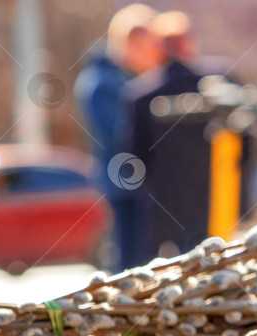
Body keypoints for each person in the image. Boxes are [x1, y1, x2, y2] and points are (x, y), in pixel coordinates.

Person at [120, 11, 238, 263]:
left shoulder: (141, 94)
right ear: (189, 43)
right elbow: (244, 142)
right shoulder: (223, 83)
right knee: (216, 267)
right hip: (216, 197)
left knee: (162, 272)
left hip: (163, 203)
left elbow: (134, 156)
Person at [74, 4, 165, 272]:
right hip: (125, 184)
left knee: (144, 258)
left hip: (138, 183)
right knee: (131, 261)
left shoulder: (124, 79)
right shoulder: (101, 83)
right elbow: (119, 136)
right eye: (147, 47)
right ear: (129, 43)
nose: (153, 56)